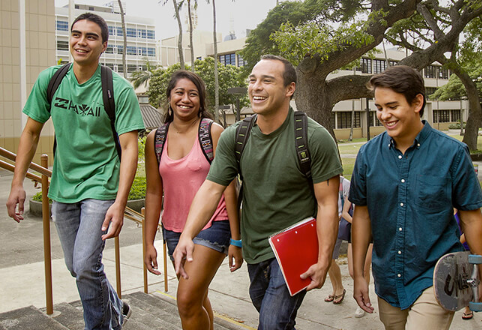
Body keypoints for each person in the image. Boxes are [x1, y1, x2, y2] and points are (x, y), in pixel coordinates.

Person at [173, 55, 343, 329]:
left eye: (267, 80)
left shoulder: (313, 137)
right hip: (256, 248)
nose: (256, 87)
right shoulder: (235, 136)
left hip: (296, 248)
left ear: (290, 89)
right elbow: (212, 188)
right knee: (275, 319)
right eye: (253, 80)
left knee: (272, 323)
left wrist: (324, 260)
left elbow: (327, 205)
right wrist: (187, 235)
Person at [5, 13, 144, 329]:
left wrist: (120, 204)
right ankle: (115, 305)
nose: (82, 41)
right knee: (77, 266)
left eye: (91, 36)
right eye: (76, 34)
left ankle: (103, 325)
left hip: (101, 185)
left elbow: (130, 148)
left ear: (104, 45)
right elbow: (30, 132)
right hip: (63, 186)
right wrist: (17, 183)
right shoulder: (51, 80)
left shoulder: (117, 89)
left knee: (84, 264)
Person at [349, 65, 482, 330]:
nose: (384, 115)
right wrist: (359, 274)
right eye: (379, 108)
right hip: (388, 277)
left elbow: (472, 220)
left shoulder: (453, 153)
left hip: (436, 274)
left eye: (392, 106)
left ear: (417, 102)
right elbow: (362, 215)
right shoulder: (368, 155)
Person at [143, 71, 242, 329]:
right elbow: (154, 193)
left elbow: (230, 187)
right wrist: (148, 243)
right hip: (174, 230)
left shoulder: (213, 132)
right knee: (197, 297)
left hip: (213, 225)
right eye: (179, 92)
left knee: (186, 300)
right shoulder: (156, 138)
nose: (185, 99)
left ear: (201, 100)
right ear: (169, 97)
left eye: (192, 94)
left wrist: (235, 239)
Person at [342, 192, 373, 319]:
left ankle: (365, 300)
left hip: (370, 232)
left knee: (364, 268)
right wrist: (357, 222)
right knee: (352, 271)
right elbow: (344, 212)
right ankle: (360, 292)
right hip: (354, 232)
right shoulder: (353, 191)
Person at [324, 176, 350, 305]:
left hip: (338, 225)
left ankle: (340, 288)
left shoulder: (345, 184)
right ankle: (335, 289)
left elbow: (349, 207)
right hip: (325, 225)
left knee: (331, 259)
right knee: (327, 260)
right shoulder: (323, 181)